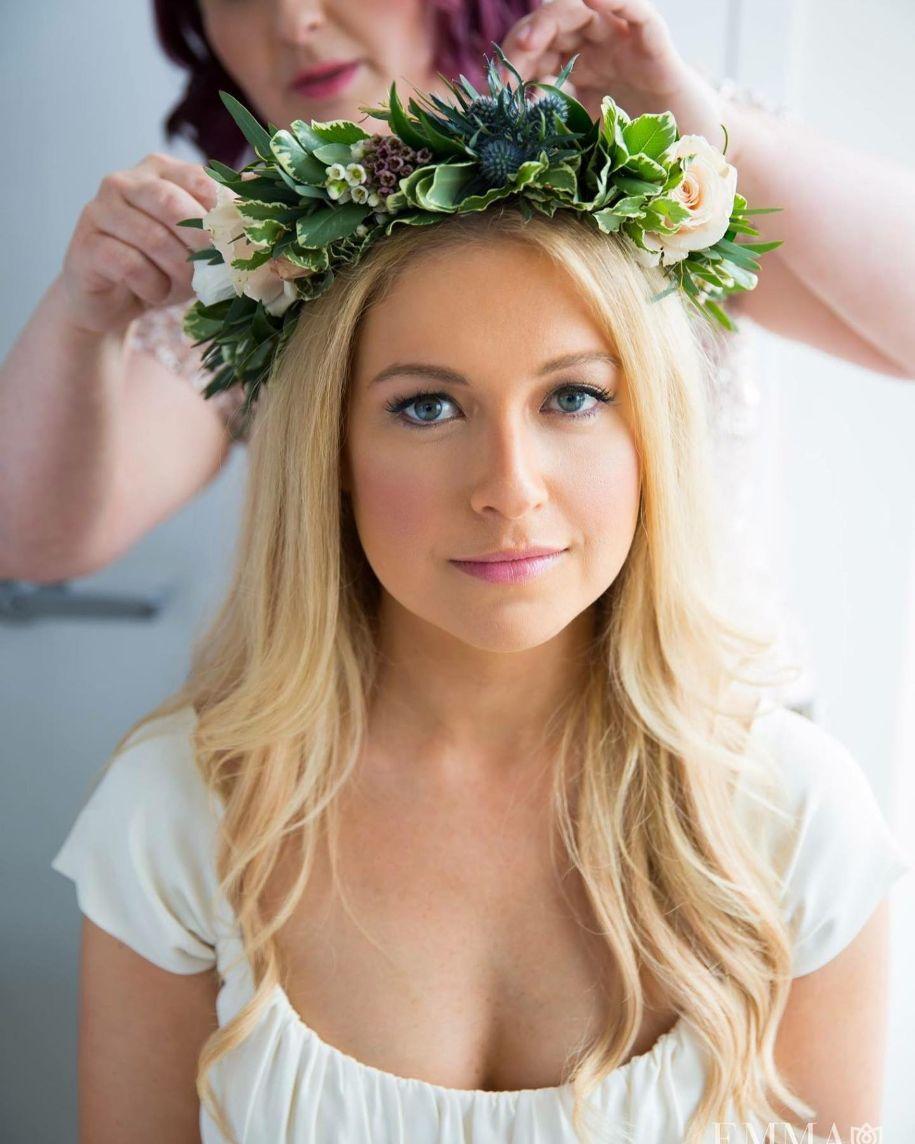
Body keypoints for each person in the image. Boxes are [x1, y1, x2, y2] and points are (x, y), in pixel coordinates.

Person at [50, 66, 911, 1144]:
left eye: (572, 397)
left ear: (651, 438)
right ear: (332, 456)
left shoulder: (794, 820)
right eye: (425, 406)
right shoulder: (178, 814)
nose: (508, 486)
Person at [1, 0, 912, 589]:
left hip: (702, 745)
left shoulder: (649, 151)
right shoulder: (239, 252)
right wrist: (84, 317)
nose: (294, 21)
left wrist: (704, 132)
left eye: (575, 396)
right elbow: (35, 541)